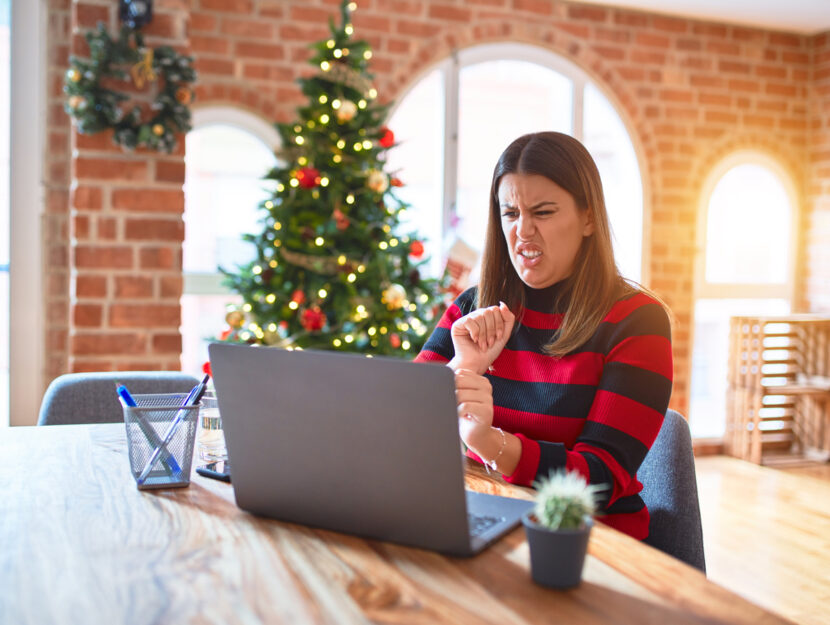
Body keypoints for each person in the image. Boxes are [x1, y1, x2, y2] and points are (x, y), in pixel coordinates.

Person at [415, 131, 672, 540]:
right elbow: (402, 427)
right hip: (485, 513)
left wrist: (487, 440)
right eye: (510, 213)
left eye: (543, 212)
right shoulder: (472, 308)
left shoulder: (637, 321)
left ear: (589, 218)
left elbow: (602, 477)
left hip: (588, 538)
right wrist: (462, 369)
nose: (522, 231)